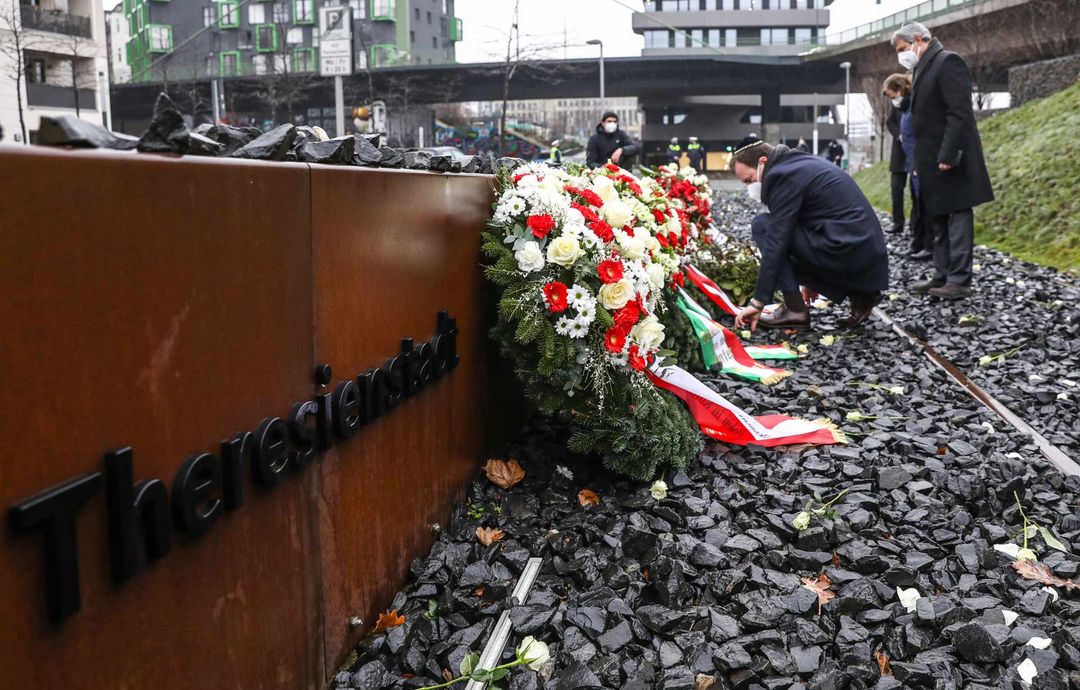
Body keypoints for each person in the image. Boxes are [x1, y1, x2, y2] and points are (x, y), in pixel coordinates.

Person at [729, 138, 889, 330]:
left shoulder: (781, 175)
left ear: (763, 161)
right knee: (778, 233)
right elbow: (808, 219)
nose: (750, 187)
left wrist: (758, 303)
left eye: (749, 179)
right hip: (862, 250)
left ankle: (794, 310)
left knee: (763, 226)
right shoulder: (798, 164)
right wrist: (811, 281)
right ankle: (861, 294)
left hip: (846, 249)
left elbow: (776, 241)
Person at [892, 21, 994, 299]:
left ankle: (959, 279)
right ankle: (942, 274)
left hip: (951, 158)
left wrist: (949, 153)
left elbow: (958, 112)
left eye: (903, 48)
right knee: (937, 217)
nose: (902, 55)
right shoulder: (925, 66)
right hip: (930, 160)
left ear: (917, 39)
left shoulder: (947, 61)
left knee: (957, 216)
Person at [883, 73, 933, 260]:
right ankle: (915, 239)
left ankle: (924, 241)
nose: (893, 100)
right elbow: (892, 123)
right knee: (906, 194)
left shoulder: (913, 107)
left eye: (892, 95)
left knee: (920, 201)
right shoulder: (903, 108)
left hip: (917, 160)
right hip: (908, 158)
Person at [886, 90, 907, 234]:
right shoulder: (896, 106)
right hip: (899, 154)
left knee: (917, 194)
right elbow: (890, 122)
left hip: (915, 152)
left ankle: (916, 227)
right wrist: (899, 134)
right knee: (896, 190)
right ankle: (898, 222)